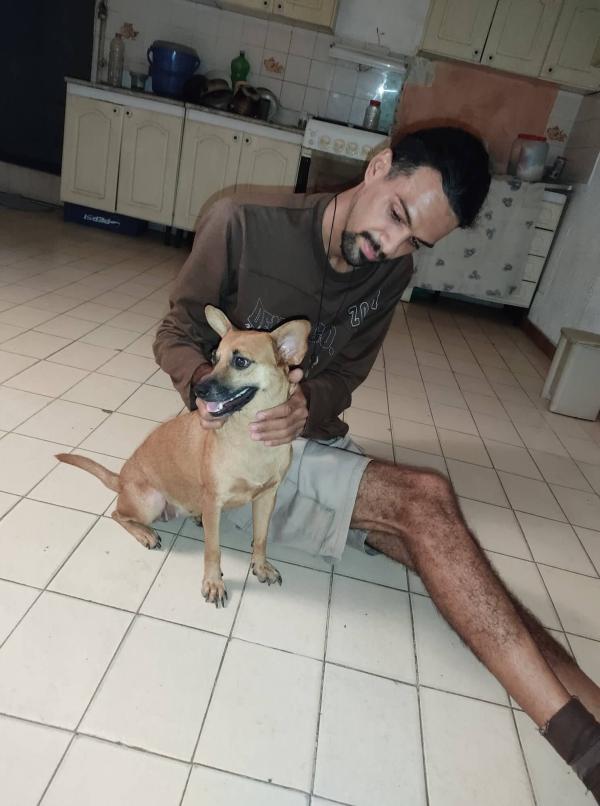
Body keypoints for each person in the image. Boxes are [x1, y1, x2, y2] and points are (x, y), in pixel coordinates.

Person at [154, 126, 600, 798]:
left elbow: (347, 376)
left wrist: (309, 405)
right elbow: (175, 331)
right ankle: (585, 750)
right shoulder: (242, 223)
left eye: (414, 241)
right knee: (426, 501)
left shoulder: (392, 272)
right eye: (396, 214)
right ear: (380, 165)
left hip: (312, 437)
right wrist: (205, 392)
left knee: (437, 542)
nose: (391, 246)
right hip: (246, 449)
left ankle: (586, 699)